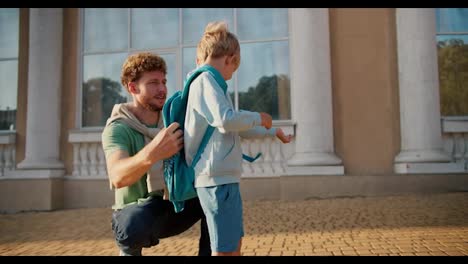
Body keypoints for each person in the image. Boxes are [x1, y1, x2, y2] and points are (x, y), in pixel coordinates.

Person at [184, 21, 292, 256]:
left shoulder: (212, 84)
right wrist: (258, 117)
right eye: (234, 69)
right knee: (224, 250)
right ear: (229, 59)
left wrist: (273, 132)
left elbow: (233, 128)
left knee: (233, 245)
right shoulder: (205, 82)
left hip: (222, 179)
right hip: (216, 181)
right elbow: (226, 120)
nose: (232, 75)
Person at [101, 52, 211, 256]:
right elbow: (117, 176)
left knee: (217, 194)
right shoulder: (118, 128)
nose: (162, 89)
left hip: (173, 202)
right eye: (153, 83)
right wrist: (153, 153)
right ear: (133, 88)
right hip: (137, 213)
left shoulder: (173, 118)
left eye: (163, 81)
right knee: (131, 227)